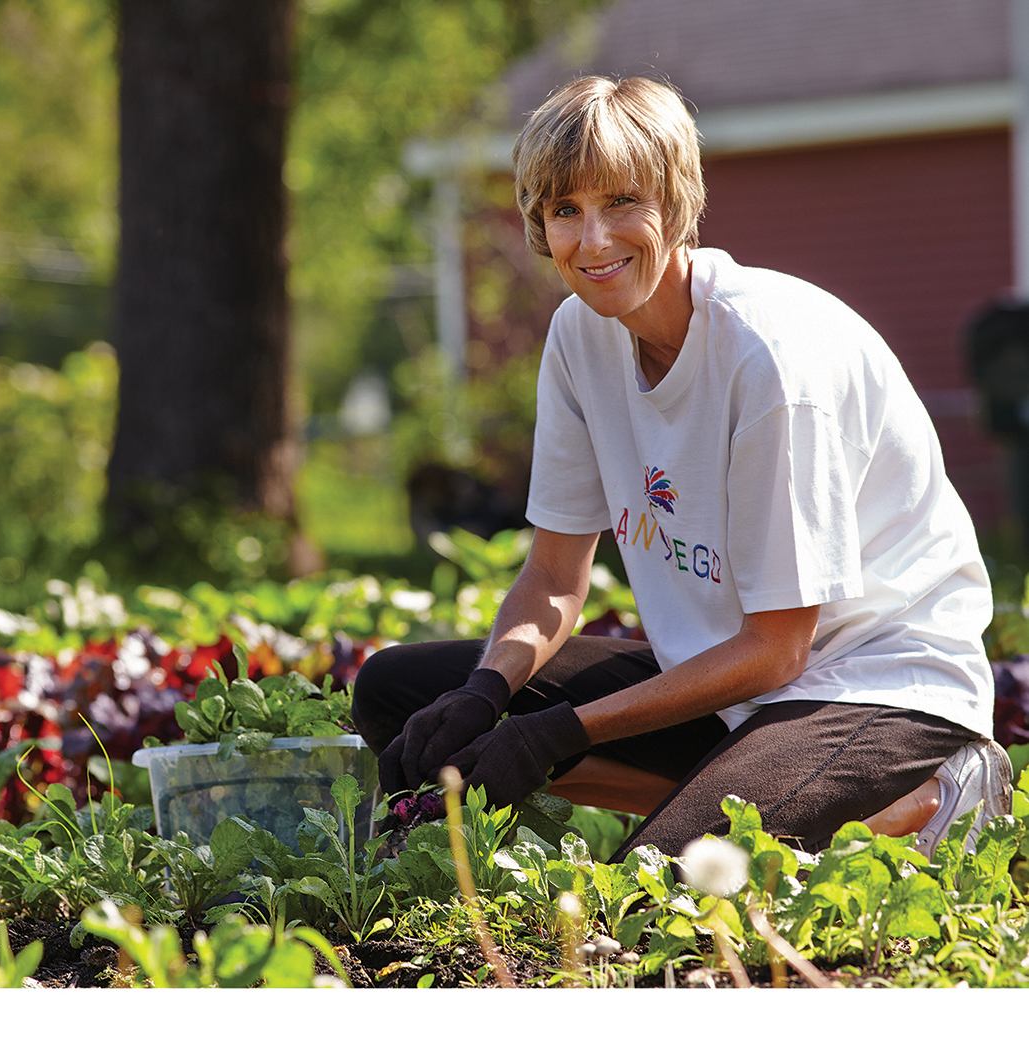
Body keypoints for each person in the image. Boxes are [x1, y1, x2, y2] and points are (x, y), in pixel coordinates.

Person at [354, 75, 1012, 861]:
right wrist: (486, 691)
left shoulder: (769, 363)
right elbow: (555, 579)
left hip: (873, 684)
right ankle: (715, 797)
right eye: (566, 211)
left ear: (677, 202)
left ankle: (931, 793)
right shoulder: (579, 338)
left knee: (667, 884)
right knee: (398, 690)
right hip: (724, 679)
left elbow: (780, 650)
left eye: (623, 202)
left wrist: (554, 734)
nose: (593, 242)